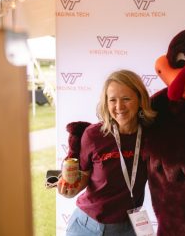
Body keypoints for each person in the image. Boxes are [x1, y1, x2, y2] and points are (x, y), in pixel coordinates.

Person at [57, 69, 156, 236]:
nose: (119, 107)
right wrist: (70, 189)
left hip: (130, 228)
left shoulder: (151, 136)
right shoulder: (94, 135)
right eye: (112, 100)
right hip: (87, 227)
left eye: (126, 99)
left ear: (140, 99)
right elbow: (85, 176)